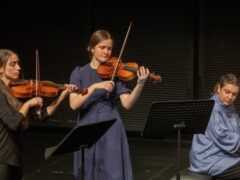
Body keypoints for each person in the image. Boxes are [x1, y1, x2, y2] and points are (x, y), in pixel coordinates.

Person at [69, 30, 149, 180]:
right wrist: (94, 87)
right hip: (87, 127)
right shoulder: (79, 73)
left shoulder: (116, 71)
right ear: (91, 48)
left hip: (111, 127)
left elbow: (127, 103)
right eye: (102, 47)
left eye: (109, 48)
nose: (107, 52)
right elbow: (74, 104)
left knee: (112, 172)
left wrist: (140, 84)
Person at [0, 49, 77, 180]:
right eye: (13, 64)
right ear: (1, 68)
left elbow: (41, 116)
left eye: (18, 63)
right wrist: (28, 104)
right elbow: (13, 124)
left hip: (15, 157)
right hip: (2, 157)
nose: (18, 68)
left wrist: (61, 97)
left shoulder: (17, 92)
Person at [189, 73, 240, 179]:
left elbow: (237, 128)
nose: (230, 97)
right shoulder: (211, 108)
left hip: (224, 154)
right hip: (208, 159)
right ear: (219, 89)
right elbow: (224, 137)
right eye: (227, 92)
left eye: (234, 94)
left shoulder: (229, 106)